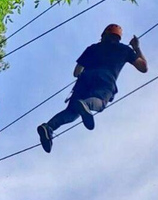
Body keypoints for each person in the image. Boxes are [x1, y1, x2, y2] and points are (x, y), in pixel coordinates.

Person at [37, 24, 148, 153]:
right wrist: (136, 48)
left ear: (104, 35)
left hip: (84, 80)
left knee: (72, 113)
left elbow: (76, 72)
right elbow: (143, 68)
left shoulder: (92, 48)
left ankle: (49, 126)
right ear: (118, 38)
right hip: (105, 80)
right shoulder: (124, 50)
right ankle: (86, 104)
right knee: (99, 103)